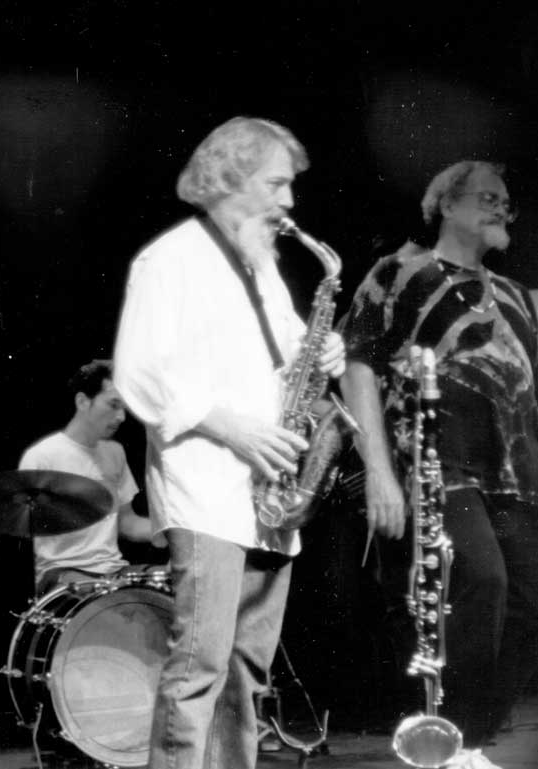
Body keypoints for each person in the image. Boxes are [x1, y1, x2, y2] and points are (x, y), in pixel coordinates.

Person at [112, 117, 346, 769]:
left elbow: (283, 359)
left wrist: (322, 350)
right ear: (230, 179)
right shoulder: (171, 261)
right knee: (199, 668)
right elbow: (138, 375)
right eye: (277, 184)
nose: (290, 201)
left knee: (246, 673)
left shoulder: (263, 268)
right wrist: (234, 426)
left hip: (269, 494)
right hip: (210, 489)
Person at [340, 160, 538, 769]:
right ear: (446, 203)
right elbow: (358, 366)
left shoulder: (516, 295)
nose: (502, 210)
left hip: (520, 478)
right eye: (489, 198)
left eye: (507, 202)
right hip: (440, 467)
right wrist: (381, 473)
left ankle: (464, 739)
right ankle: (455, 745)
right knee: (482, 583)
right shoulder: (398, 273)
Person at [17, 359, 156, 595]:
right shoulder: (42, 456)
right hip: (63, 572)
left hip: (112, 571)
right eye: (113, 405)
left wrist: (171, 530)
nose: (121, 416)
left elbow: (127, 523)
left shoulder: (115, 452)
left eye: (124, 407)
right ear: (83, 401)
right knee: (106, 598)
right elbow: (22, 523)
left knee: (175, 580)